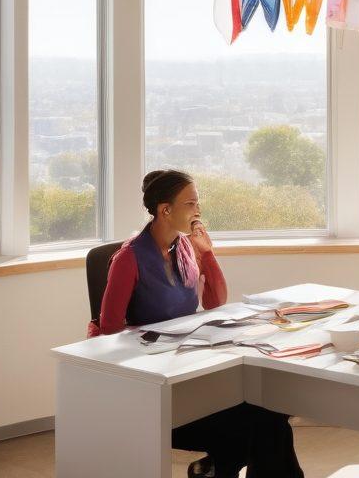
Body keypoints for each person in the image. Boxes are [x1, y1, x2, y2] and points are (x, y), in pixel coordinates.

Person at [91, 169, 304, 478]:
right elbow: (109, 328)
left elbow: (215, 302)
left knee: (270, 411)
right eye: (190, 204)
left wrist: (206, 253)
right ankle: (220, 465)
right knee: (265, 422)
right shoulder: (129, 258)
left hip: (190, 367)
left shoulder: (185, 247)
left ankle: (219, 466)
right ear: (165, 210)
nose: (198, 211)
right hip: (158, 384)